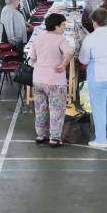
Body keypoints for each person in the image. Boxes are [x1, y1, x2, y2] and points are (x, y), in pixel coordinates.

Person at [78, 8, 107, 148]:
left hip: (99, 76)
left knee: (99, 108)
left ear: (94, 22)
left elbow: (84, 60)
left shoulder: (90, 38)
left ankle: (101, 140)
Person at [30, 13, 74, 147]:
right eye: (63, 25)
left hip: (38, 79)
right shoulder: (61, 39)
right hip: (55, 81)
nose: (64, 28)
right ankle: (54, 138)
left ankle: (40, 135)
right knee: (56, 110)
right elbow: (69, 53)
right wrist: (63, 64)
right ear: (56, 26)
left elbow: (32, 59)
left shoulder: (38, 38)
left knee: (40, 109)